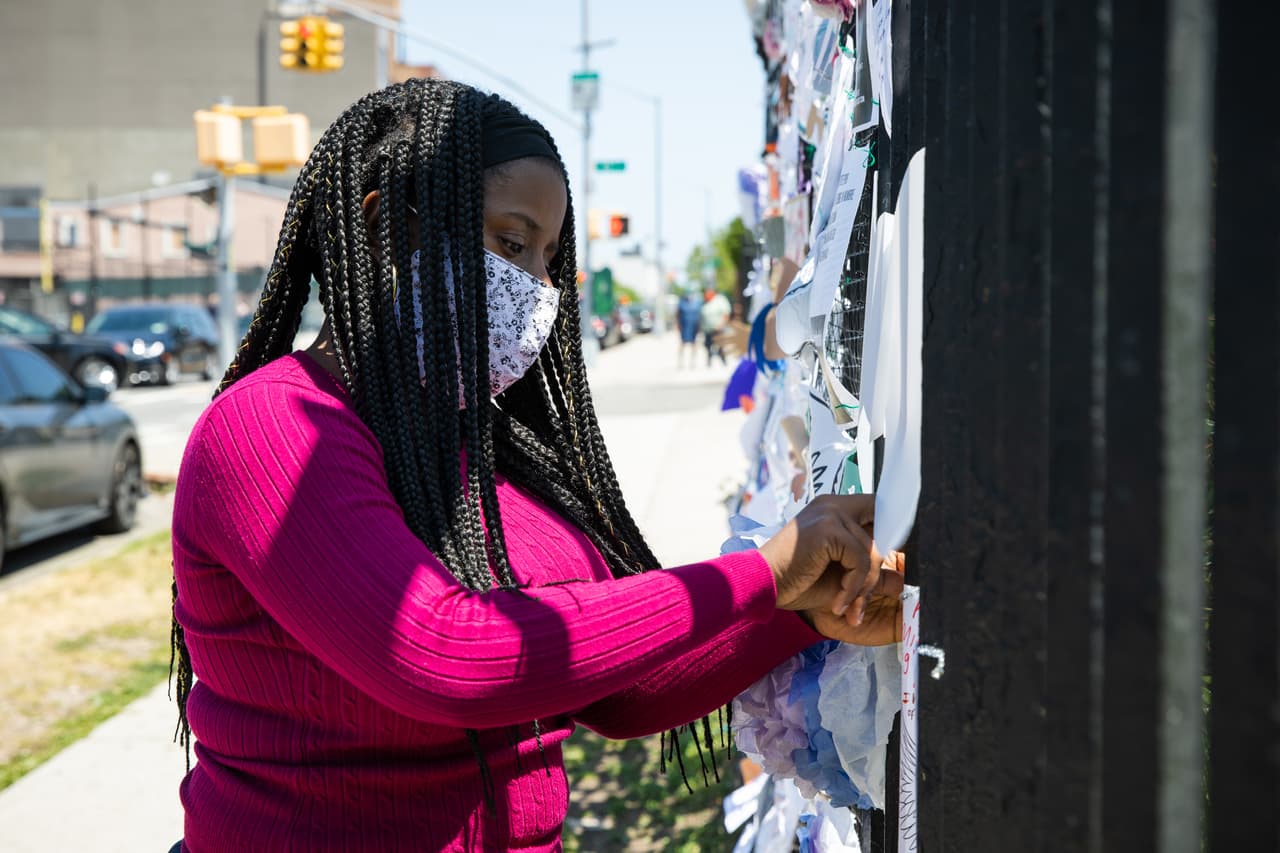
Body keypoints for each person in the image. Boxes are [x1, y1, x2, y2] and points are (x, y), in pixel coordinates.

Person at [169, 79, 902, 852]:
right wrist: (763, 573)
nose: (538, 289)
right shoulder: (273, 426)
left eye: (550, 257)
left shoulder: (484, 443)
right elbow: (447, 656)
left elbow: (618, 692)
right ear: (386, 228)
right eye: (511, 243)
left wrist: (801, 609)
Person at [700, 287, 732, 366]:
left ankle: (723, 362)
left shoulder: (720, 300)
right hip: (707, 329)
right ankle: (709, 361)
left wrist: (722, 325)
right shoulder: (705, 302)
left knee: (720, 346)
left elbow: (726, 314)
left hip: (718, 329)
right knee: (707, 346)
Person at [675, 289, 702, 368]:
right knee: (682, 344)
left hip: (694, 327)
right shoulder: (682, 303)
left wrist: (699, 327)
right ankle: (681, 362)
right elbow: (677, 315)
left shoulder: (696, 303)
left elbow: (699, 316)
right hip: (684, 327)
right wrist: (677, 325)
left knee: (694, 344)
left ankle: (692, 362)